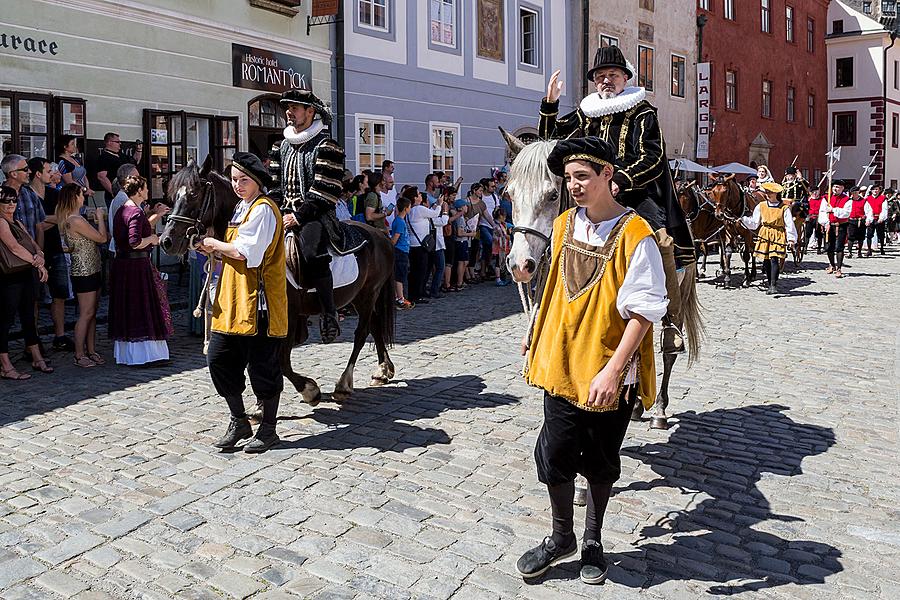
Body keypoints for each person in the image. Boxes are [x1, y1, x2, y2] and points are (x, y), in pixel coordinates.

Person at [516, 138, 667, 585]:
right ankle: (561, 536)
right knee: (555, 451)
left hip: (606, 368)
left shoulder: (636, 235)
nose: (574, 185)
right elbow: (552, 290)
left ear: (608, 178)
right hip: (562, 363)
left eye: (582, 176)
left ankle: (593, 540)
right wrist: (536, 329)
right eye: (569, 178)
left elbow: (643, 312)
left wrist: (614, 368)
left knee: (600, 460)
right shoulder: (563, 224)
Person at [539, 45, 693, 356]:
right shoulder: (587, 111)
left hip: (637, 191)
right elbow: (550, 139)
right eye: (600, 76)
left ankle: (671, 322)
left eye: (612, 75)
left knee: (660, 240)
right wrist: (550, 104)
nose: (605, 81)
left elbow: (653, 157)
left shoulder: (643, 112)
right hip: (593, 190)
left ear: (625, 77)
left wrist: (620, 180)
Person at [199, 153, 287, 453]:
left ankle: (269, 429)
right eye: (234, 180)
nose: (237, 185)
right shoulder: (240, 207)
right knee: (219, 360)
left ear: (258, 181)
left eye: (243, 180)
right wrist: (211, 249)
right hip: (233, 300)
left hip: (259, 304)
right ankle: (239, 420)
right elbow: (231, 251)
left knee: (263, 368)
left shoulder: (263, 209)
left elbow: (247, 253)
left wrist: (214, 245)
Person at [278, 89, 347, 344]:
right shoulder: (281, 145)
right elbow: (275, 186)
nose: (289, 112)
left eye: (295, 107)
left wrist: (298, 217)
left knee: (311, 253)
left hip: (316, 214)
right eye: (288, 107)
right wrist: (274, 212)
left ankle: (329, 312)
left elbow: (324, 189)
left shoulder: (327, 146)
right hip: (284, 213)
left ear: (311, 112)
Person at [108, 175, 171, 365]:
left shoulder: (122, 210)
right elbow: (134, 241)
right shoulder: (134, 212)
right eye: (145, 188)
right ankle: (146, 355)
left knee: (129, 307)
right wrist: (152, 240)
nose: (148, 191)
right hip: (136, 266)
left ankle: (130, 355)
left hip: (124, 265)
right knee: (142, 306)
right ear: (138, 191)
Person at [0, 185, 51, 379]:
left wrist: (39, 255)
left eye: (13, 200)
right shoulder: (2, 222)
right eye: (6, 201)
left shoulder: (18, 222)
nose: (11, 204)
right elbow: (13, 248)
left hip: (26, 274)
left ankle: (37, 357)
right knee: (6, 319)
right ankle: (5, 365)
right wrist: (37, 263)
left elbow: (32, 243)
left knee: (29, 316)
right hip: (9, 276)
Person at [54, 184, 109, 366]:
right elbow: (101, 238)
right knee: (86, 313)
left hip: (92, 268)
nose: (83, 197)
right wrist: (100, 218)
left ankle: (91, 350)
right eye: (81, 194)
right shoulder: (75, 220)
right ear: (75, 197)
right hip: (83, 271)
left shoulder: (75, 218)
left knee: (92, 313)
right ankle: (79, 354)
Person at [740, 182, 797, 295]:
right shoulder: (761, 206)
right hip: (765, 233)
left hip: (778, 234)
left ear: (776, 194)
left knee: (774, 259)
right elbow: (755, 222)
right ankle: (770, 281)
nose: (768, 194)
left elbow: (790, 224)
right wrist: (743, 220)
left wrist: (791, 239)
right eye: (767, 192)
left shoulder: (784, 208)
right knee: (766, 261)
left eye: (770, 192)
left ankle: (773, 285)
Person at [405, 186, 442, 304]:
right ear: (415, 198)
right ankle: (417, 294)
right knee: (420, 271)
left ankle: (413, 293)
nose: (421, 196)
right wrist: (440, 204)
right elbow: (435, 214)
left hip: (413, 243)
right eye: (419, 194)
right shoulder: (419, 209)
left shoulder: (410, 210)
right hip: (420, 245)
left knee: (415, 270)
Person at [819, 181, 851, 277]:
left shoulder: (847, 199)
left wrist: (833, 210)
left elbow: (846, 213)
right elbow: (822, 211)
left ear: (842, 188)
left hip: (841, 225)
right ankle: (832, 265)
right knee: (829, 247)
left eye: (837, 187)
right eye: (834, 187)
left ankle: (839, 268)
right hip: (829, 225)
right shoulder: (826, 198)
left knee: (839, 247)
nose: (835, 189)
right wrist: (825, 222)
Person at [390, 197, 413, 309]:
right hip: (400, 251)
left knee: (400, 275)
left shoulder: (399, 221)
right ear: (405, 208)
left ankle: (398, 297)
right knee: (400, 276)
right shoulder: (399, 222)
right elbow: (395, 238)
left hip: (402, 250)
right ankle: (400, 298)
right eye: (409, 207)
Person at [864, 184, 888, 255]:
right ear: (871, 191)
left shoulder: (883, 198)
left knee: (880, 235)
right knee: (869, 235)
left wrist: (881, 218)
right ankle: (869, 250)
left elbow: (884, 209)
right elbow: (867, 209)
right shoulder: (868, 199)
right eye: (874, 189)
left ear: (879, 190)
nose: (875, 191)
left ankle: (882, 249)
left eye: (877, 189)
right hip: (871, 218)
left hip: (879, 218)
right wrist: (868, 219)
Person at [847, 186, 868, 259]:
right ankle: (849, 252)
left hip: (860, 221)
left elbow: (868, 211)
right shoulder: (849, 201)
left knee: (861, 237)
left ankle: (859, 252)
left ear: (858, 192)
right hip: (851, 220)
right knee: (850, 237)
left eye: (856, 192)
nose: (854, 194)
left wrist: (867, 219)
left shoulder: (864, 201)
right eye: (853, 193)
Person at [805, 184, 826, 255]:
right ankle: (805, 248)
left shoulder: (822, 200)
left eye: (816, 191)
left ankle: (819, 248)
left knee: (819, 234)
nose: (814, 193)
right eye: (813, 192)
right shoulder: (808, 199)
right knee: (807, 233)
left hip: (818, 218)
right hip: (810, 218)